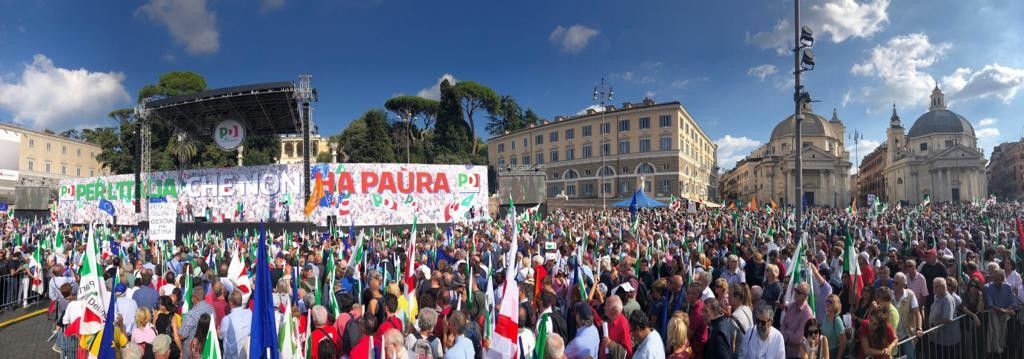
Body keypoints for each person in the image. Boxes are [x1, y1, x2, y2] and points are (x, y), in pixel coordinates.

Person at [983, 268, 1015, 356]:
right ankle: (995, 351)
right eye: (994, 278)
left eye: (998, 278)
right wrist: (1005, 311)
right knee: (994, 335)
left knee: (1007, 339)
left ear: (1002, 278)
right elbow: (990, 305)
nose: (996, 280)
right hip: (994, 316)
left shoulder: (1007, 287)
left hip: (1007, 318)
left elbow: (1012, 303)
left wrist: (1007, 311)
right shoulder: (987, 287)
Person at [178, 285, 215, 359]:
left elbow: (182, 336)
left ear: (194, 298)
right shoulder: (211, 308)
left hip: (192, 352)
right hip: (207, 348)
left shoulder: (191, 314)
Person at [928, 277, 960, 355]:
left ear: (943, 287)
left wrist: (935, 324)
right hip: (936, 338)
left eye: (936, 287)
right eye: (933, 286)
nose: (934, 289)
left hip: (946, 341)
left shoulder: (947, 299)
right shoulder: (937, 296)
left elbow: (948, 319)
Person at [781, 282, 813, 359]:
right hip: (786, 350)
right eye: (795, 290)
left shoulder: (807, 313)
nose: (795, 293)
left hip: (798, 355)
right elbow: (783, 325)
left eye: (798, 292)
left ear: (805, 296)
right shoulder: (791, 306)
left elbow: (798, 338)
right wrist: (787, 335)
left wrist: (786, 333)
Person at [219, 290, 251, 359]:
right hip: (246, 356)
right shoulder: (250, 314)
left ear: (230, 302)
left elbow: (220, 336)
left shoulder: (226, 319)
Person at [820, 294, 846, 359]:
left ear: (835, 305)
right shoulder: (826, 316)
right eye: (827, 301)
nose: (827, 304)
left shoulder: (837, 320)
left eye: (830, 302)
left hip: (833, 353)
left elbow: (843, 343)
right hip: (823, 351)